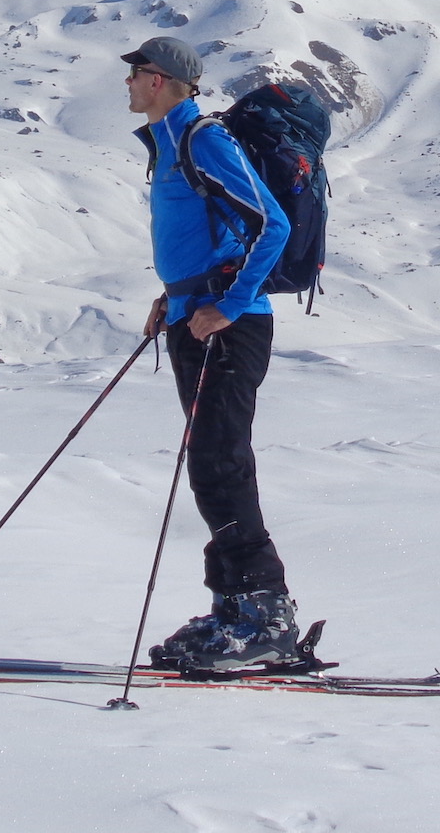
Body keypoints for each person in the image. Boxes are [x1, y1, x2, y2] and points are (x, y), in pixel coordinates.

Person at [122, 34, 298, 671]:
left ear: (165, 80)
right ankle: (235, 608)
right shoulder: (170, 145)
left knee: (222, 459)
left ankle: (265, 613)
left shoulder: (202, 140)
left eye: (137, 73)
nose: (130, 83)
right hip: (195, 318)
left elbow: (270, 223)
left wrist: (227, 302)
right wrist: (174, 299)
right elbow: (205, 239)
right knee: (209, 462)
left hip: (229, 324)